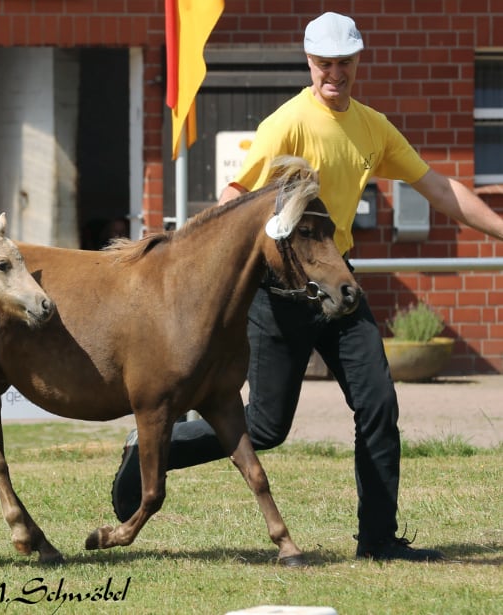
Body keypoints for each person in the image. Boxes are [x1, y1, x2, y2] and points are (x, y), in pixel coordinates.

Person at [111, 12, 503, 562]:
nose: (334, 74)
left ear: (356, 62)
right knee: (267, 426)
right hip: (280, 293)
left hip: (337, 283)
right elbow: (235, 195)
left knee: (379, 406)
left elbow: (439, 187)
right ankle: (151, 448)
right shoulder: (287, 123)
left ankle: (378, 541)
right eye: (324, 63)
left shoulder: (372, 127)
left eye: (344, 63)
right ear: (310, 62)